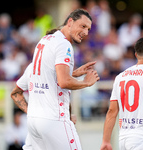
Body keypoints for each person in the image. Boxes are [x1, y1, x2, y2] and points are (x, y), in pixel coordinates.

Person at [11, 8, 99, 150]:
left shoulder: (45, 41)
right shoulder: (64, 44)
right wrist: (86, 83)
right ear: (70, 21)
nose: (86, 33)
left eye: (88, 29)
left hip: (33, 122)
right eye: (83, 26)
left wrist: (73, 73)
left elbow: (16, 92)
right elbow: (63, 82)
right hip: (54, 120)